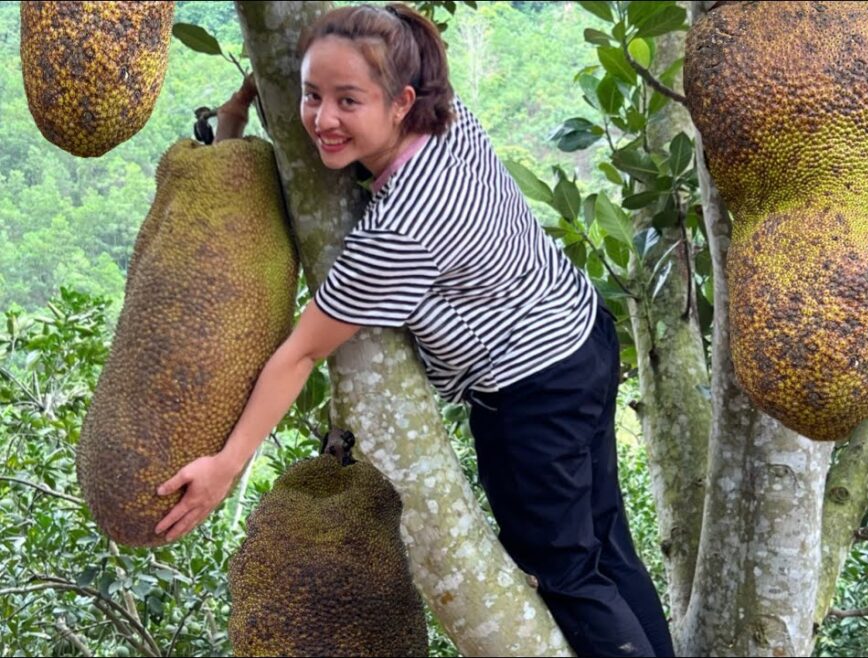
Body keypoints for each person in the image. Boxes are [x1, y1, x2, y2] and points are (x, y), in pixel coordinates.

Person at [153, 4, 674, 657]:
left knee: (567, 574)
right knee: (606, 549)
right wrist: (239, 109)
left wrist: (226, 466)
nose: (323, 118)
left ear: (401, 101)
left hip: (532, 391)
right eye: (311, 95)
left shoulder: (398, 232)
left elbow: (301, 353)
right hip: (581, 331)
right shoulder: (449, 117)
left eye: (349, 100)